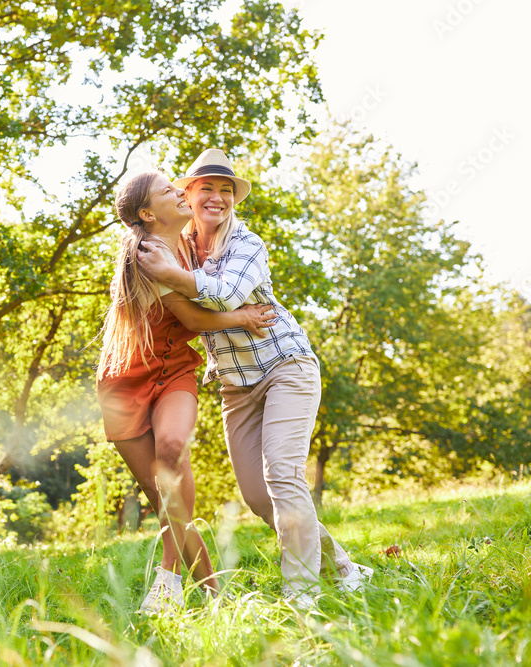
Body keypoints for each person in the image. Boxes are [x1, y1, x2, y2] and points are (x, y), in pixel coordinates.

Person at [137, 149, 373, 609]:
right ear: (188, 195)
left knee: (283, 475)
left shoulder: (247, 244)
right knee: (261, 499)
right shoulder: (179, 247)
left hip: (286, 366)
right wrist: (165, 268)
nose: (217, 197)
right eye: (207, 188)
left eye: (226, 190)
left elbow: (226, 294)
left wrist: (172, 276)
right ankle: (345, 570)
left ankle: (301, 595)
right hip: (235, 385)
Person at [97, 170, 277, 614]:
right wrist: (242, 317)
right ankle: (214, 597)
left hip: (174, 367)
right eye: (167, 191)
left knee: (173, 448)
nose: (180, 192)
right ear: (147, 214)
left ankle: (168, 579)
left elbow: (216, 285)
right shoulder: (148, 253)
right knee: (166, 499)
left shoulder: (192, 245)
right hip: (123, 381)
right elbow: (194, 319)